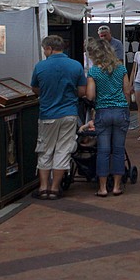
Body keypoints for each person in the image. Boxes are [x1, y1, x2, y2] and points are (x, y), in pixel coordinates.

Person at [30, 35, 87, 200]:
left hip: (47, 113)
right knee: (63, 149)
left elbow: (35, 88)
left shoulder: (40, 66)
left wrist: (47, 93)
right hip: (69, 113)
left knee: (45, 150)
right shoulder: (75, 66)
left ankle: (43, 187)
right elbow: (82, 92)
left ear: (49, 48)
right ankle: (55, 188)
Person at [84, 37, 132, 197]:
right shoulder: (121, 69)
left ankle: (103, 188)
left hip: (103, 111)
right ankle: (117, 186)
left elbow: (90, 96)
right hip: (120, 111)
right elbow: (127, 91)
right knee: (118, 150)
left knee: (103, 151)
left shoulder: (94, 71)